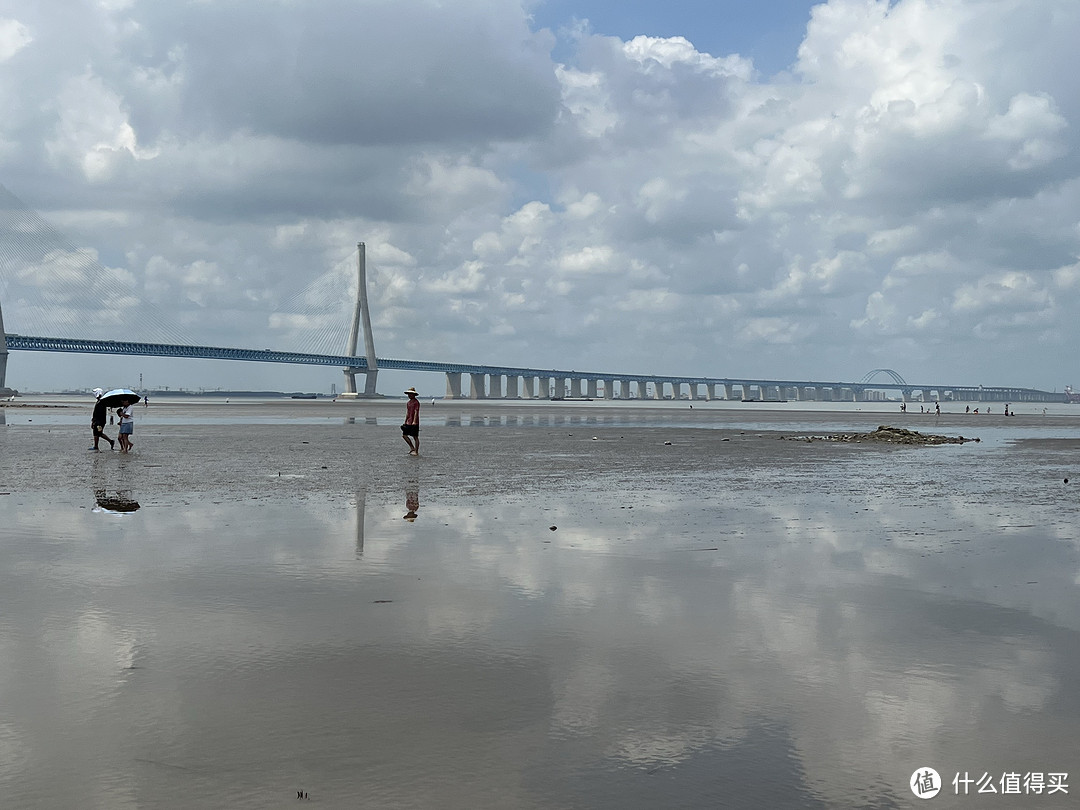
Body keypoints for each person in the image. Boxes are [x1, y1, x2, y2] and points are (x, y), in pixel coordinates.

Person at [401, 387, 420, 455]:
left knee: (415, 437)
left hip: (414, 422)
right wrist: (405, 421)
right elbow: (407, 412)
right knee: (404, 435)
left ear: (414, 395)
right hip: (408, 422)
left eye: (410, 394)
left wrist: (414, 421)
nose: (409, 395)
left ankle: (416, 451)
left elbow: (416, 412)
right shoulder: (408, 403)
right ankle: (412, 448)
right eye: (408, 394)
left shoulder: (416, 402)